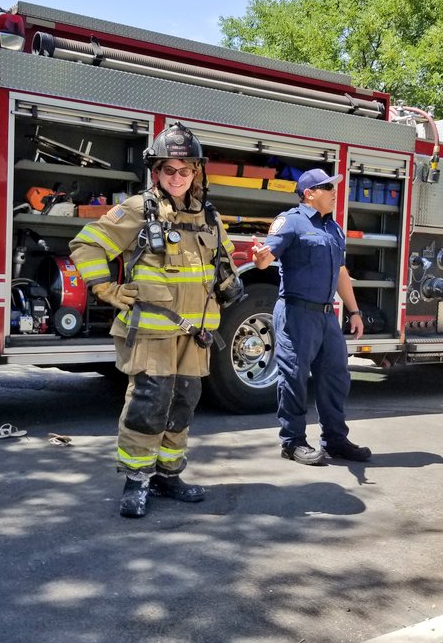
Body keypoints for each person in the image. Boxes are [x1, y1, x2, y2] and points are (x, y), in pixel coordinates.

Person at [70, 122, 242, 518]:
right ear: (156, 172)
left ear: (196, 172)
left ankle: (168, 475)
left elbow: (224, 263)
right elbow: (87, 243)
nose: (177, 178)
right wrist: (105, 288)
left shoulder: (209, 216)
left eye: (185, 170)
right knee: (148, 405)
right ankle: (136, 481)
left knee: (183, 404)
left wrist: (239, 275)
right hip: (151, 334)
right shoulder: (137, 209)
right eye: (169, 170)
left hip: (195, 337)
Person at [252, 167, 371, 465]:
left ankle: (335, 440)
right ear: (309, 194)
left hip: (326, 315)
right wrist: (259, 258)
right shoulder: (290, 221)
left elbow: (341, 272)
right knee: (293, 378)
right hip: (296, 312)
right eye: (327, 188)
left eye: (333, 187)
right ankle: (292, 442)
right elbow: (267, 258)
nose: (334, 192)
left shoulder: (334, 229)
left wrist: (354, 311)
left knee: (335, 377)